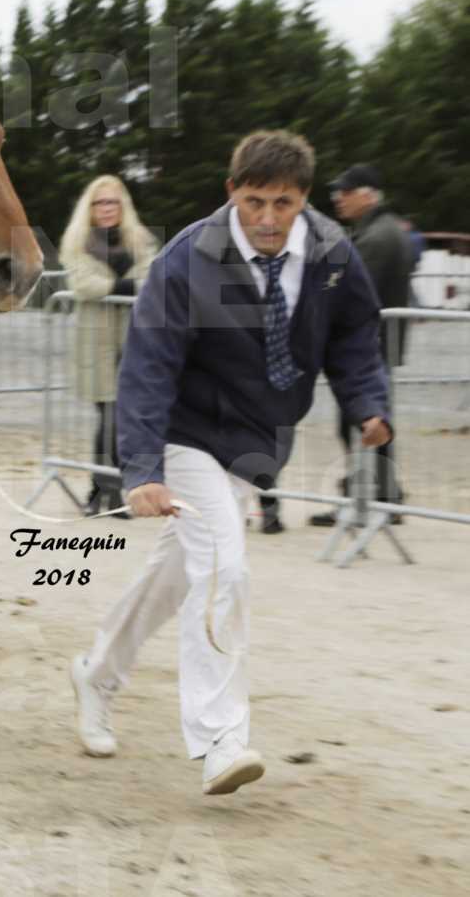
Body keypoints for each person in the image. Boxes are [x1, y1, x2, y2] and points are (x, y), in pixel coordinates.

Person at [69, 130, 392, 796]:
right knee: (226, 567)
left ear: (304, 198)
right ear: (230, 192)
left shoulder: (332, 250)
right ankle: (221, 738)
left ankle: (97, 673)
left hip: (257, 438)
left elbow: (356, 330)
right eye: (254, 202)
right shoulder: (190, 258)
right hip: (188, 432)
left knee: (182, 571)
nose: (269, 219)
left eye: (284, 203)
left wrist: (367, 402)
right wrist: (142, 470)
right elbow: (148, 366)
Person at [309, 165, 412, 526]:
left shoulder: (376, 238)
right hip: (379, 341)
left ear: (368, 194)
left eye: (346, 191)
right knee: (373, 419)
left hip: (366, 345)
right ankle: (383, 496)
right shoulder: (387, 230)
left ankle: (370, 500)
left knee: (360, 422)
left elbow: (350, 293)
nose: (339, 198)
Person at [59, 175, 158, 517]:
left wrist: (117, 286)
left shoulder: (140, 240)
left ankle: (107, 492)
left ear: (122, 205)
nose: (106, 209)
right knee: (109, 416)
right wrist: (122, 285)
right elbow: (83, 283)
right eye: (99, 203)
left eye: (112, 202)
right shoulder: (77, 242)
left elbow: (150, 280)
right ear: (90, 208)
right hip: (96, 338)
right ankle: (104, 489)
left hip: (133, 336)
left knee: (124, 418)